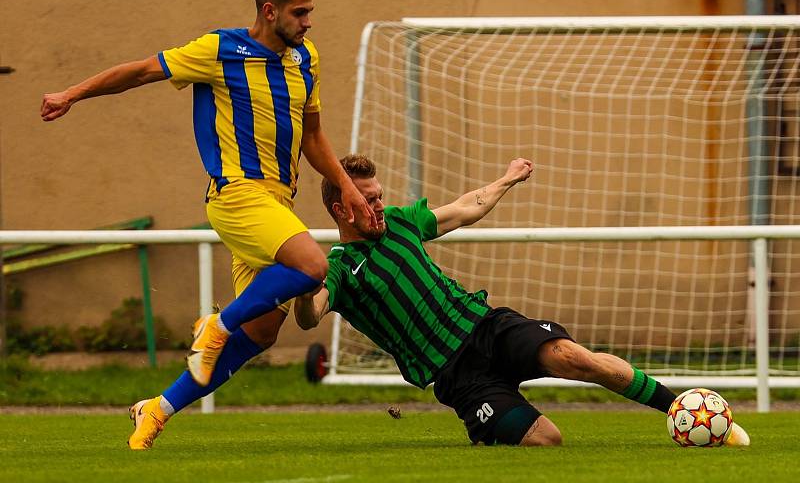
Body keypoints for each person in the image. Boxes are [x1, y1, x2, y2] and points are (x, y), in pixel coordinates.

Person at [41, 0, 376, 449]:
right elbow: (141, 71)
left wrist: (346, 186)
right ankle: (215, 324)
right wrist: (72, 94)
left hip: (276, 203)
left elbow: (315, 136)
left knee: (260, 333)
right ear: (269, 10)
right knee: (312, 266)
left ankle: (156, 409)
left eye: (310, 12)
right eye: (300, 12)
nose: (308, 22)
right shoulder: (219, 50)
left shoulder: (306, 59)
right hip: (237, 194)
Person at [293, 155, 751, 446]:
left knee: (576, 358)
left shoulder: (399, 222)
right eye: (368, 201)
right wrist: (297, 288)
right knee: (547, 440)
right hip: (458, 375)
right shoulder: (337, 268)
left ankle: (680, 408)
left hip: (486, 327)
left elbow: (463, 208)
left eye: (379, 197)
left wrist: (506, 179)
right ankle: (491, 426)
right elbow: (312, 315)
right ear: (341, 210)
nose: (378, 206)